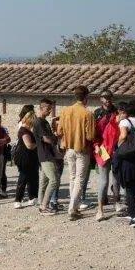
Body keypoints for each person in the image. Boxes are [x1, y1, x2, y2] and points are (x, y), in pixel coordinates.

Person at [58, 86, 96, 219]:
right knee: (79, 179)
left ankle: (74, 206)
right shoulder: (88, 114)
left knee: (72, 178)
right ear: (86, 97)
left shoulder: (65, 111)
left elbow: (59, 131)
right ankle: (72, 208)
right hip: (82, 149)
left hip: (69, 148)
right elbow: (90, 136)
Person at [113, 100, 135, 228]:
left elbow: (123, 136)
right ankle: (131, 212)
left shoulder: (125, 122)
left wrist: (118, 148)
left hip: (128, 158)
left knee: (129, 187)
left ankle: (134, 217)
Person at [93, 90, 121, 218]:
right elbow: (94, 132)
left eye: (109, 97)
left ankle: (116, 202)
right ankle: (100, 209)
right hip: (103, 149)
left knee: (116, 178)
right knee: (104, 180)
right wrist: (96, 145)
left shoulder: (117, 111)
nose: (107, 99)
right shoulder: (97, 113)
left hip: (116, 148)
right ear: (101, 99)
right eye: (105, 97)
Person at [33, 99, 59, 216]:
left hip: (47, 154)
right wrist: (56, 138)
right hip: (45, 155)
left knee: (44, 181)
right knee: (54, 180)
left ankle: (41, 204)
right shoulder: (39, 122)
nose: (49, 111)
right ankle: (44, 206)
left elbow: (49, 136)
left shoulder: (45, 122)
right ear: (41, 108)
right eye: (48, 109)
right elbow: (46, 139)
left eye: (50, 109)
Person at [13, 111, 39, 209]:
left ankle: (32, 197)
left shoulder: (28, 130)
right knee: (23, 178)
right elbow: (29, 145)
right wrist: (39, 143)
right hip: (24, 157)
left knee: (32, 178)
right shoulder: (24, 130)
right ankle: (17, 200)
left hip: (31, 157)